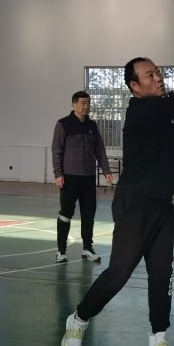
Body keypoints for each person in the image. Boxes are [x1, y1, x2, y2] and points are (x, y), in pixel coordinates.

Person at [61, 32, 174, 346]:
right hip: (135, 204)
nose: (157, 77)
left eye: (158, 72)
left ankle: (158, 340)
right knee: (119, 273)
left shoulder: (163, 112)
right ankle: (78, 320)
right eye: (149, 75)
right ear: (134, 87)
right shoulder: (142, 110)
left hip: (162, 206)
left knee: (162, 274)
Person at [51, 91, 113, 263]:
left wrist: (106, 170)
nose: (86, 106)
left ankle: (87, 248)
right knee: (66, 214)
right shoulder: (63, 124)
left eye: (88, 103)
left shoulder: (92, 126)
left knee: (88, 214)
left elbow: (99, 150)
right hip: (69, 177)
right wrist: (58, 174)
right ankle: (61, 251)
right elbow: (57, 151)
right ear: (74, 105)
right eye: (83, 103)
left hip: (88, 178)